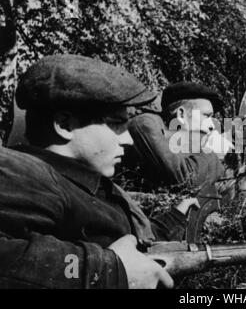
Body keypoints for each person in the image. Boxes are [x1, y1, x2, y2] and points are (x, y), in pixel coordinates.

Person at [0, 54, 191, 289]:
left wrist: (174, 219)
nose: (129, 139)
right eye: (117, 123)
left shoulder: (85, 181)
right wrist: (105, 269)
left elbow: (128, 245)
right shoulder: (27, 175)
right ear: (65, 124)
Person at [127, 82, 228, 190]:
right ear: (181, 114)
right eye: (206, 116)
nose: (212, 125)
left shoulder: (187, 144)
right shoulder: (147, 124)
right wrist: (210, 150)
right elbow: (185, 181)